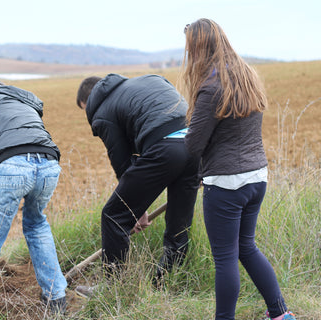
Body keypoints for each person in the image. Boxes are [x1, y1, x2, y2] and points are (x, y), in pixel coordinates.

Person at [182, 19, 296, 320]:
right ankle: (281, 314)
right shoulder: (246, 76)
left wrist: (190, 128)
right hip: (257, 177)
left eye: (190, 48)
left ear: (198, 47)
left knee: (225, 259)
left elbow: (193, 144)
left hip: (226, 184)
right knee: (247, 248)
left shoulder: (210, 86)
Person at [74, 73, 200, 296]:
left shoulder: (102, 111)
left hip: (165, 146)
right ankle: (166, 283)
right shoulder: (149, 80)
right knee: (178, 221)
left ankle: (111, 290)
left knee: (114, 215)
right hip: (195, 144)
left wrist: (135, 209)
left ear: (90, 100)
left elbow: (122, 161)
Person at [0, 81, 67, 319]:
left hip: (12, 167)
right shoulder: (26, 100)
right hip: (49, 164)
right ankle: (57, 298)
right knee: (37, 224)